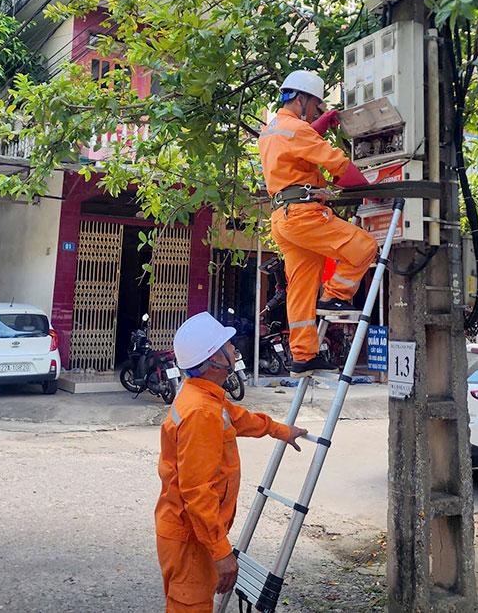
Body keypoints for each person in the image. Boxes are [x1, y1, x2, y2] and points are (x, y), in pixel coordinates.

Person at [155, 312, 308, 613]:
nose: (235, 351)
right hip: (191, 539)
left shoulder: (207, 398)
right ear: (213, 359)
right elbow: (197, 492)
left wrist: (282, 431)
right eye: (228, 346)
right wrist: (221, 551)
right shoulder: (201, 412)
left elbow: (241, 419)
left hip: (193, 533)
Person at [257, 70, 378, 375]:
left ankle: (303, 355)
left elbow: (298, 145)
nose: (318, 111)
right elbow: (338, 165)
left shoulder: (272, 129)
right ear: (301, 99)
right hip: (304, 214)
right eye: (317, 107)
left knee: (300, 287)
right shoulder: (297, 130)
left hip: (282, 219)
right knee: (365, 246)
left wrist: (321, 124)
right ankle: (336, 297)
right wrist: (371, 192)